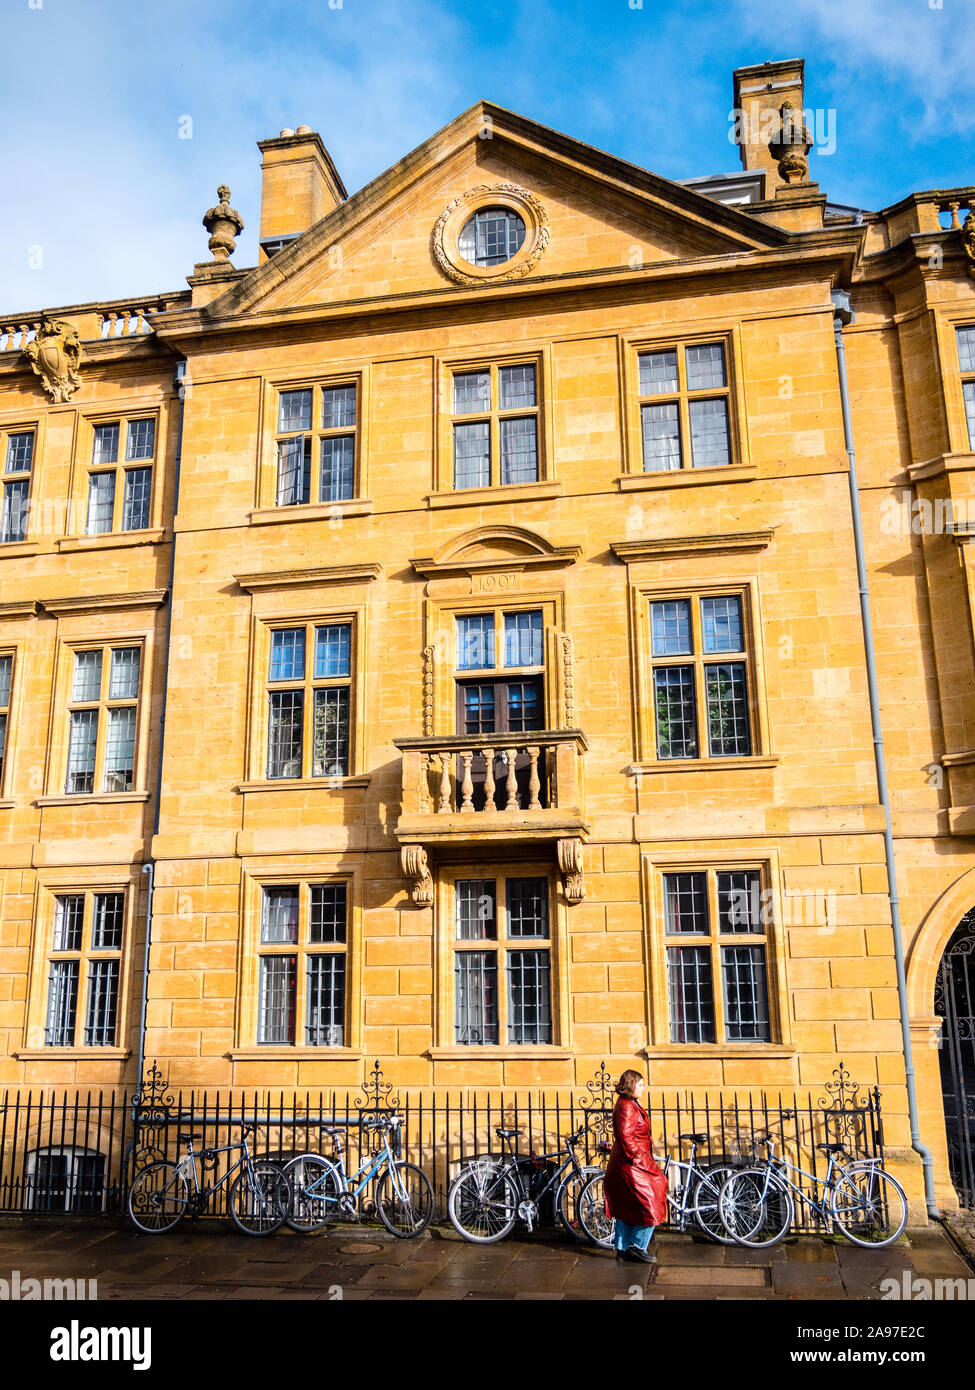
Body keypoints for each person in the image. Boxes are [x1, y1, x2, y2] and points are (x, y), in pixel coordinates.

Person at [603, 1068, 667, 1263]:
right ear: (631, 1085)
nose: (643, 1087)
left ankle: (623, 1248)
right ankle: (638, 1246)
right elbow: (626, 1138)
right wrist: (642, 1160)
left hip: (628, 1163)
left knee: (627, 1205)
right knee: (651, 1202)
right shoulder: (626, 1107)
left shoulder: (629, 1103)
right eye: (640, 1084)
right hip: (631, 1164)